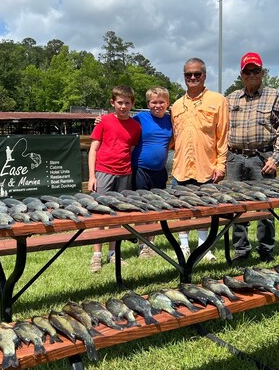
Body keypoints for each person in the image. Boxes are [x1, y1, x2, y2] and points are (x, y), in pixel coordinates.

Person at [226, 51, 279, 263]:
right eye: (247, 71)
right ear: (241, 74)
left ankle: (266, 250)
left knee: (265, 206)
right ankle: (241, 251)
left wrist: (275, 158)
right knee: (237, 206)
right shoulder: (231, 98)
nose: (251, 74)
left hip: (262, 158)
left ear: (262, 72)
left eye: (256, 70)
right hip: (234, 158)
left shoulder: (274, 95)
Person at [171, 57, 229, 260]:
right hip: (181, 168)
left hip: (207, 168)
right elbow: (170, 137)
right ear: (184, 77)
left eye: (197, 74)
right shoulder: (176, 105)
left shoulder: (218, 100)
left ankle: (205, 248)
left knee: (205, 208)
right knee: (181, 209)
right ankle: (184, 245)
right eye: (189, 74)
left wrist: (221, 164)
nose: (193, 77)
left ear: (205, 75)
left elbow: (223, 136)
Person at [88, 85, 141, 272]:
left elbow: (131, 150)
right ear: (113, 102)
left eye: (127, 103)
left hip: (124, 173)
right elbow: (93, 149)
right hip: (103, 172)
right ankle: (96, 256)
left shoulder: (135, 126)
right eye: (120, 102)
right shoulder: (104, 121)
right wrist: (92, 176)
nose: (123, 106)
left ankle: (113, 254)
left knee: (116, 215)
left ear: (132, 104)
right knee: (100, 215)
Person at [131, 87, 173, 257]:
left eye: (161, 102)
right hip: (140, 169)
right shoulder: (140, 118)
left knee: (156, 208)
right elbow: (121, 124)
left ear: (167, 103)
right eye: (153, 102)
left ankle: (152, 244)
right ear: (148, 103)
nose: (157, 105)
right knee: (143, 209)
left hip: (160, 171)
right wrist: (100, 121)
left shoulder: (170, 120)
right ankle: (142, 246)